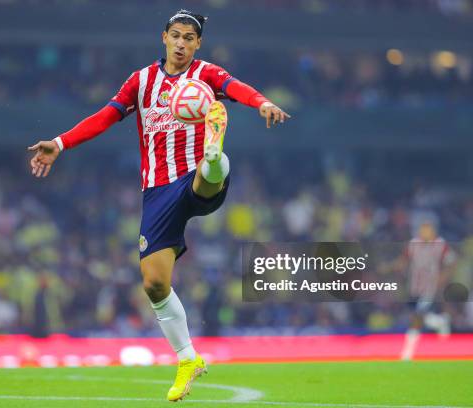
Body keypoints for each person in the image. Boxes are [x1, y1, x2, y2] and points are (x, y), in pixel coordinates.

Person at [28, 10, 289, 401]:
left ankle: (214, 154)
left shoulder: (207, 74)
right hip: (157, 191)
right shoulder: (140, 81)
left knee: (206, 174)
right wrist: (60, 143)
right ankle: (188, 360)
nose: (182, 43)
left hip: (193, 177)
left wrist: (263, 102)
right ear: (164, 37)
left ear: (198, 44)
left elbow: (238, 88)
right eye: (177, 36)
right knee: (153, 283)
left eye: (190, 38)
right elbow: (104, 117)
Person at [398, 219, 455, 361]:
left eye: (428, 229)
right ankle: (440, 321)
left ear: (433, 230)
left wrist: (443, 277)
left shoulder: (440, 245)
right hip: (414, 287)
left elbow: (451, 261)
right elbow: (403, 260)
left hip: (430, 287)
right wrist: (397, 269)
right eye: (422, 229)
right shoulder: (413, 245)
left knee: (416, 317)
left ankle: (408, 352)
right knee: (419, 316)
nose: (425, 232)